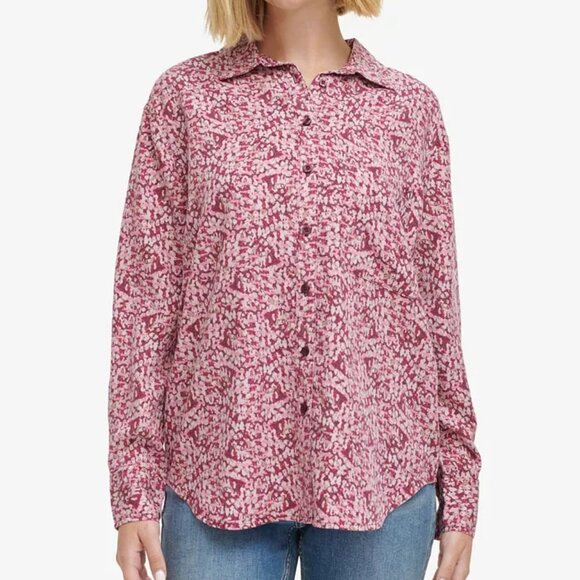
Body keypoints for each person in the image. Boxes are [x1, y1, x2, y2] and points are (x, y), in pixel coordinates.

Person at [107, 1, 482, 579]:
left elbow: (437, 312)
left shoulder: (409, 111)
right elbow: (144, 304)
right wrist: (134, 485)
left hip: (379, 477)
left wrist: (460, 485)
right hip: (218, 478)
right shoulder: (184, 101)